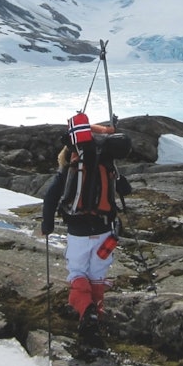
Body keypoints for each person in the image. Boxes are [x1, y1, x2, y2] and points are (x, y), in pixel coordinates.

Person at [40, 121, 126, 339]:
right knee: (97, 275)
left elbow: (51, 196)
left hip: (78, 231)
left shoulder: (69, 170)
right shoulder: (108, 166)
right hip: (105, 230)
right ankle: (96, 313)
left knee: (78, 273)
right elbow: (126, 189)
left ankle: (86, 311)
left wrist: (47, 224)